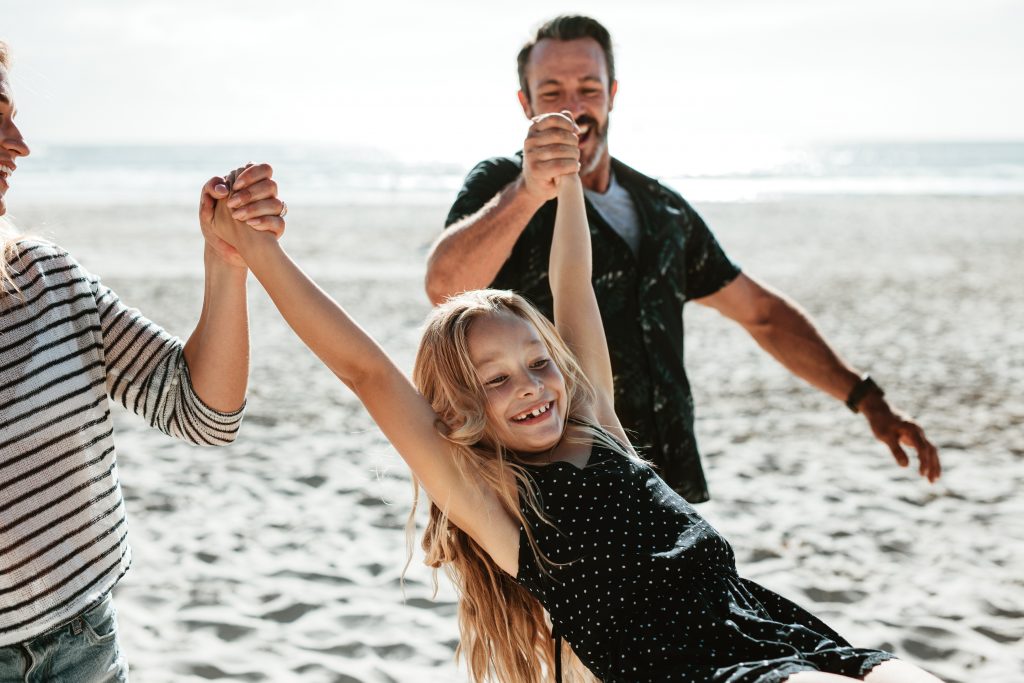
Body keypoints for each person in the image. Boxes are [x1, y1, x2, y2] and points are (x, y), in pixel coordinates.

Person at [205, 110, 943, 682]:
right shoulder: (496, 499)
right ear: (461, 410)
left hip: (777, 633)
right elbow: (365, 371)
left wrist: (565, 179)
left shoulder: (597, 425)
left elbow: (572, 283)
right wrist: (261, 252)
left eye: (538, 362)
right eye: (496, 379)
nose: (531, 386)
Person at [424, 15, 941, 503]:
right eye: (553, 92)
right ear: (526, 103)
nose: (574, 107)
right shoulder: (502, 184)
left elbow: (760, 314)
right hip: (557, 488)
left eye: (589, 88)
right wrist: (529, 190)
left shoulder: (662, 209)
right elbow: (444, 287)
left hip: (665, 486)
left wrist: (865, 398)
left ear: (613, 93)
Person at [0, 40, 286, 681]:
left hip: (83, 650)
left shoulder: (47, 278)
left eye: (13, 116)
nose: (19, 144)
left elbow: (202, 413)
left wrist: (226, 262)